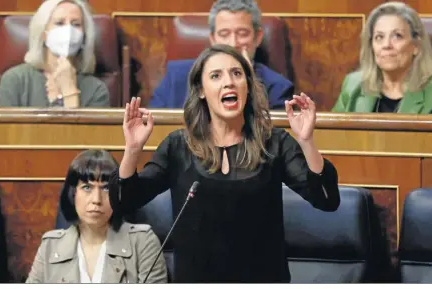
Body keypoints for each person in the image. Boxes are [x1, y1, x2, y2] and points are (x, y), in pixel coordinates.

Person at [111, 44, 340, 283]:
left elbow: (326, 199)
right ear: (201, 90)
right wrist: (133, 150)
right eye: (216, 76)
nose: (229, 82)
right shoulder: (178, 146)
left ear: (248, 87)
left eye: (237, 73)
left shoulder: (274, 144)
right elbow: (123, 202)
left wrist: (306, 141)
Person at [26, 150, 167, 283]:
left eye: (106, 188)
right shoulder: (50, 246)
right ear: (73, 194)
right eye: (87, 187)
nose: (96, 199)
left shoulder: (142, 242)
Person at [149, 0, 293, 110]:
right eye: (224, 34)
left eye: (242, 34)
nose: (233, 43)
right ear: (213, 38)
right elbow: (156, 130)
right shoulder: (176, 77)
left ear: (258, 37)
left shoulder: (278, 88)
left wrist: (249, 84)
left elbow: (273, 143)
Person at [332, 2, 432, 114]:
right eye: (379, 37)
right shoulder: (353, 86)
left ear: (416, 46)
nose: (386, 45)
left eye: (397, 36)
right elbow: (333, 136)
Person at [0, 0, 110, 108]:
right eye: (59, 23)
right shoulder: (14, 80)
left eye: (76, 24)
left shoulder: (97, 89)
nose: (68, 31)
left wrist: (69, 90)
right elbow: (6, 128)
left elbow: (79, 129)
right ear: (43, 34)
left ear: (84, 36)